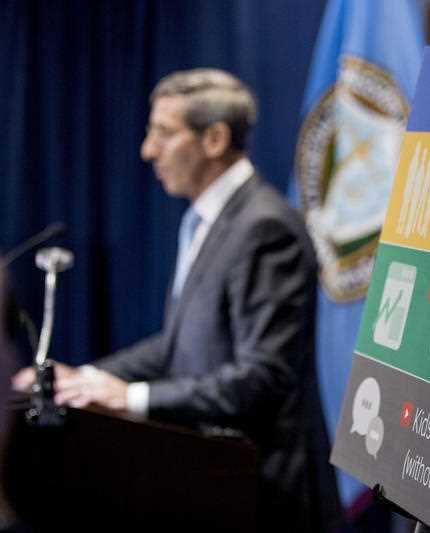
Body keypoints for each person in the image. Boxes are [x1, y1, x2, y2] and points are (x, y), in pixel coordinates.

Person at [12, 68, 340, 531]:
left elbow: (263, 377)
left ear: (214, 139)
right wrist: (86, 379)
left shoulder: (265, 228)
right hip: (216, 479)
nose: (148, 151)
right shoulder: (209, 220)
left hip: (265, 493)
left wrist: (133, 396)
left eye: (164, 134)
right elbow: (182, 343)